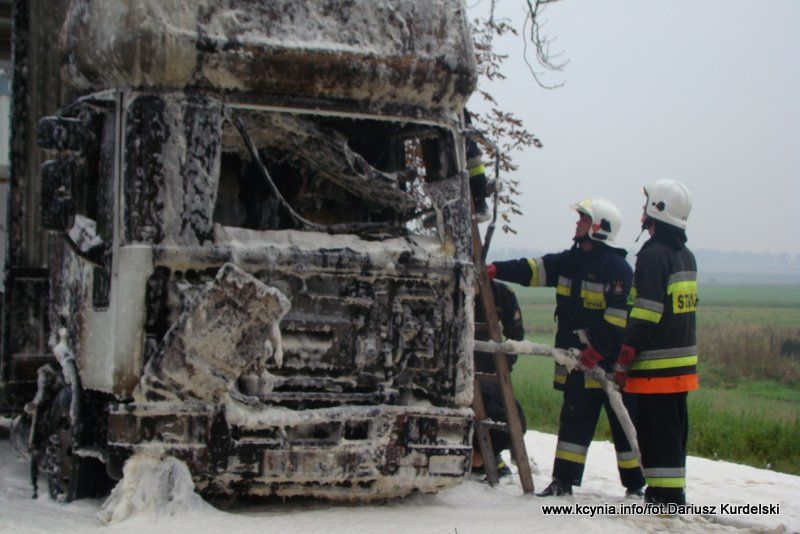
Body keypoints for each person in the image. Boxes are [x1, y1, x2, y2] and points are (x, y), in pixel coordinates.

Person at [487, 198, 645, 497]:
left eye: (583, 220)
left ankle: (636, 486)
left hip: (609, 367)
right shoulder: (569, 262)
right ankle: (563, 481)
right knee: (573, 422)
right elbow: (532, 269)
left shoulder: (617, 269)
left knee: (624, 425)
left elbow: (617, 319)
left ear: (598, 227)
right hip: (577, 362)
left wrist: (596, 352)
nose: (577, 224)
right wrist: (496, 269)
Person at [614, 179, 697, 506]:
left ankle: (664, 498)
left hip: (655, 370)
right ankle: (671, 493)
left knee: (656, 435)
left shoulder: (653, 256)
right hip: (681, 369)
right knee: (673, 435)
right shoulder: (685, 256)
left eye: (646, 204)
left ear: (656, 210)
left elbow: (646, 314)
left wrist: (623, 361)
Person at [472, 280, 527, 478]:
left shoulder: (501, 294)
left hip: (488, 371)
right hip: (456, 367)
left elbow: (515, 336)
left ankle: (489, 458)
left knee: (509, 416)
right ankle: (481, 458)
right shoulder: (447, 287)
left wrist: (502, 369)